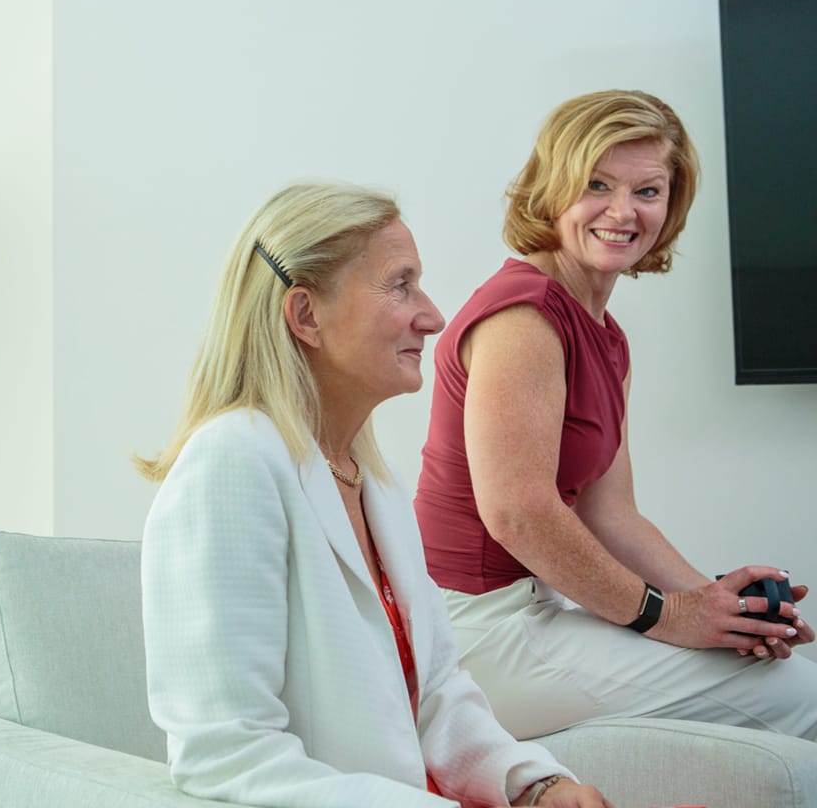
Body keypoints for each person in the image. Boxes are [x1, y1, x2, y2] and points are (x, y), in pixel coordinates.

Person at [138, 183, 613, 808]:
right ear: (306, 315)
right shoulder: (230, 462)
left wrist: (535, 786)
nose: (434, 316)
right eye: (401, 285)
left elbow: (438, 691)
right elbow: (226, 755)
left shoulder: (370, 480)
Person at [414, 89, 817, 742]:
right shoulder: (524, 317)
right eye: (596, 184)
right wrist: (664, 616)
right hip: (476, 632)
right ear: (553, 190)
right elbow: (517, 511)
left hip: (534, 611)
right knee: (803, 699)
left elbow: (610, 514)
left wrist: (719, 610)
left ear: (671, 204)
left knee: (785, 679)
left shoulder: (605, 334)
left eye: (648, 191)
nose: (622, 212)